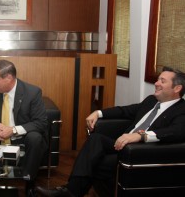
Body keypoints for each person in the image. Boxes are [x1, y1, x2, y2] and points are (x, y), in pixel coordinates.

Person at [36, 66, 185, 197]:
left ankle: (70, 191)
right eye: (158, 79)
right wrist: (98, 113)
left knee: (94, 161)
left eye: (162, 81)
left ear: (177, 88)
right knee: (95, 139)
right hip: (120, 143)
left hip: (139, 152)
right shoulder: (151, 101)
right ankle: (71, 191)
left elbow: (177, 131)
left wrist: (140, 136)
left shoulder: (181, 109)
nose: (157, 83)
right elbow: (125, 111)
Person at [0, 59, 48, 196]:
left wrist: (12, 130)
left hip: (21, 137)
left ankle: (29, 181)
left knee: (35, 137)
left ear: (9, 78)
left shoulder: (32, 92)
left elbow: (40, 122)